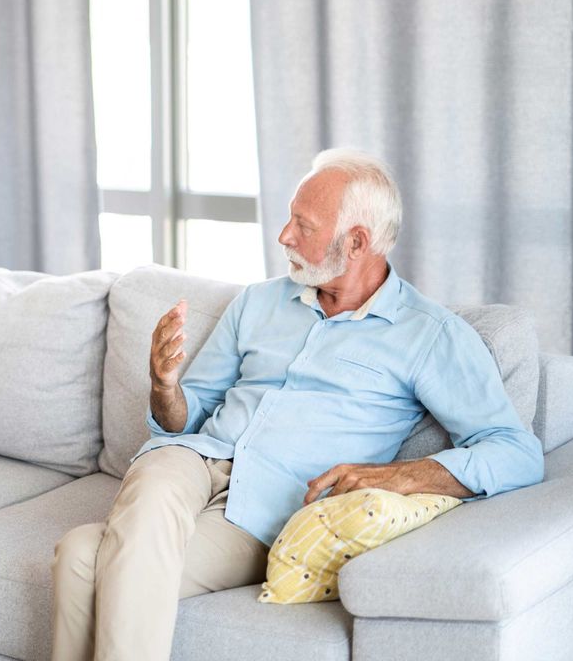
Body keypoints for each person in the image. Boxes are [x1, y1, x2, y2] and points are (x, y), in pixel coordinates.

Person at [51, 148, 544, 660]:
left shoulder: (430, 335)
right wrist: (164, 387)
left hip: (264, 513)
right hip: (189, 460)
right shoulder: (258, 301)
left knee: (81, 556)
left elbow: (515, 451)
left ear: (356, 242)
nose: (284, 235)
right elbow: (185, 418)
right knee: (153, 488)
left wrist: (400, 476)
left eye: (302, 225)